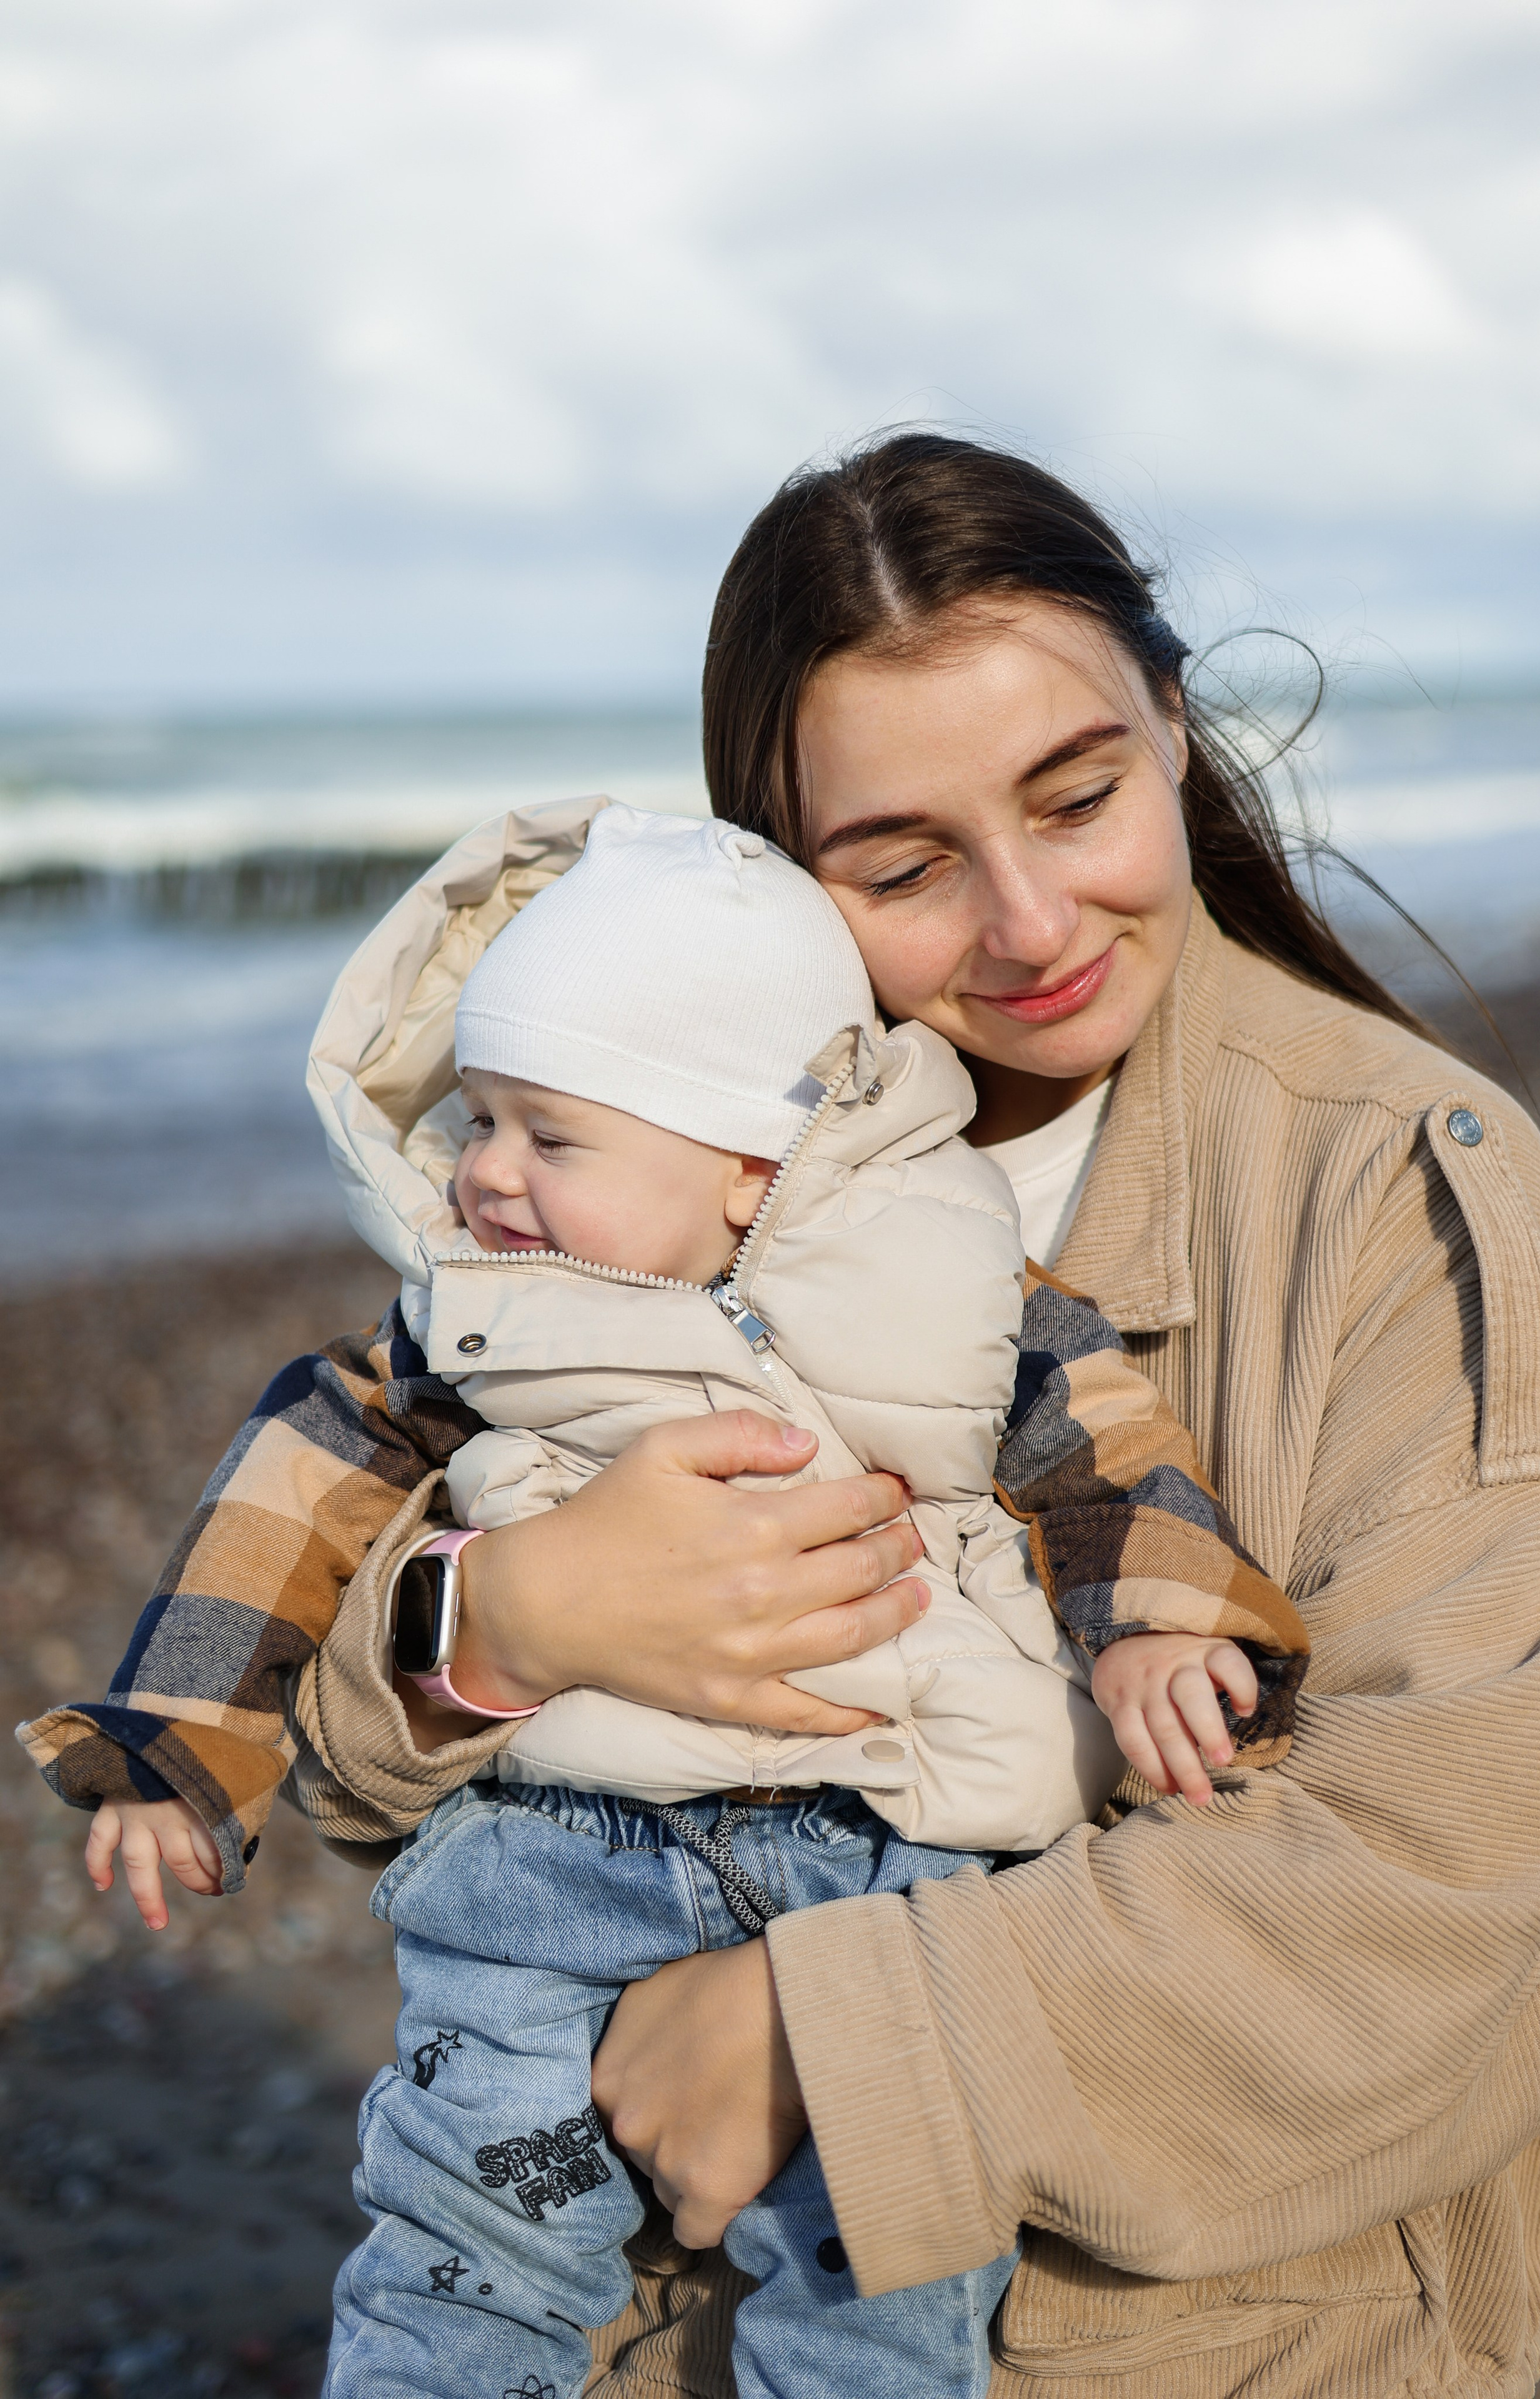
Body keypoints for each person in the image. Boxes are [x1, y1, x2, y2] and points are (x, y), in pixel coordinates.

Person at [21, 432, 1540, 2398]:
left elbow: (1471, 1876)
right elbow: (350, 1778)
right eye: (907, 864)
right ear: (780, 878)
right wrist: (496, 1627)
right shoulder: (633, 1175)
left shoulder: (1398, 1187)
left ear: (1176, 733)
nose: (1028, 922)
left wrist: (823, 2040)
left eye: (1081, 796)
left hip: (1198, 2339)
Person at [37, 797, 1304, 2399]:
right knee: (462, 2240)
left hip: (892, 1872)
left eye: (549, 1135)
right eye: (480, 1117)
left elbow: (1103, 1446)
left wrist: (1156, 1626)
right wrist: (176, 1748)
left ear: (745, 1171)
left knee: (887, 2278)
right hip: (545, 1868)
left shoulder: (956, 1282)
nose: (485, 1172)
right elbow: (291, 1491)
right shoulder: (485, 1320)